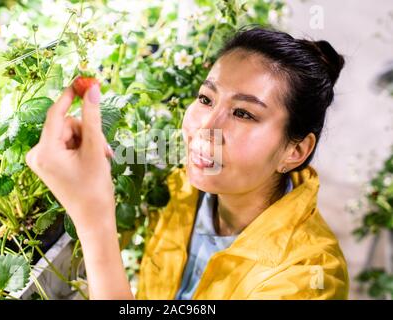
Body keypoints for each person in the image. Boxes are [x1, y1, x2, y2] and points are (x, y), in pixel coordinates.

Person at [25, 26, 350, 300]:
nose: (205, 127)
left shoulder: (307, 279)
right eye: (206, 98)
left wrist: (93, 221)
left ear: (295, 151)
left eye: (243, 113)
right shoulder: (182, 190)